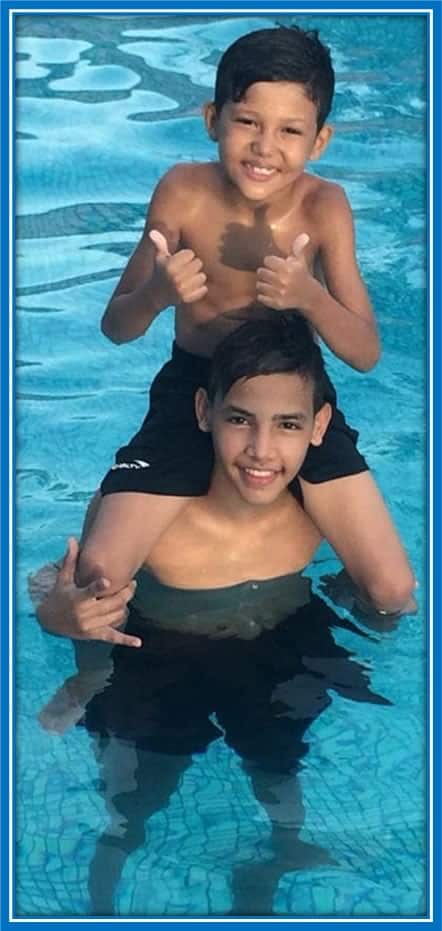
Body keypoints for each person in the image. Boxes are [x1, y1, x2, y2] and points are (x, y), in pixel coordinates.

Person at [33, 315, 393, 916]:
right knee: (135, 798)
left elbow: (380, 590)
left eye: (287, 426)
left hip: (276, 644)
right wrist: (64, 635)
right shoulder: (150, 516)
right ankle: (104, 889)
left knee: (281, 771)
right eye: (238, 420)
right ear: (203, 412)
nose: (260, 450)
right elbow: (60, 584)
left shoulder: (315, 514)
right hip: (160, 652)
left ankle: (275, 861)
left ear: (318, 427)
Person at [71, 24, 414, 616]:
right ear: (213, 118)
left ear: (321, 140)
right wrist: (158, 292)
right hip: (197, 384)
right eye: (248, 122)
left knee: (391, 592)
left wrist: (309, 297)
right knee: (98, 578)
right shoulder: (182, 193)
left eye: (290, 131)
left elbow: (365, 352)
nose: (264, 147)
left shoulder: (324, 207)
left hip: (291, 393)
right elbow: (115, 326)